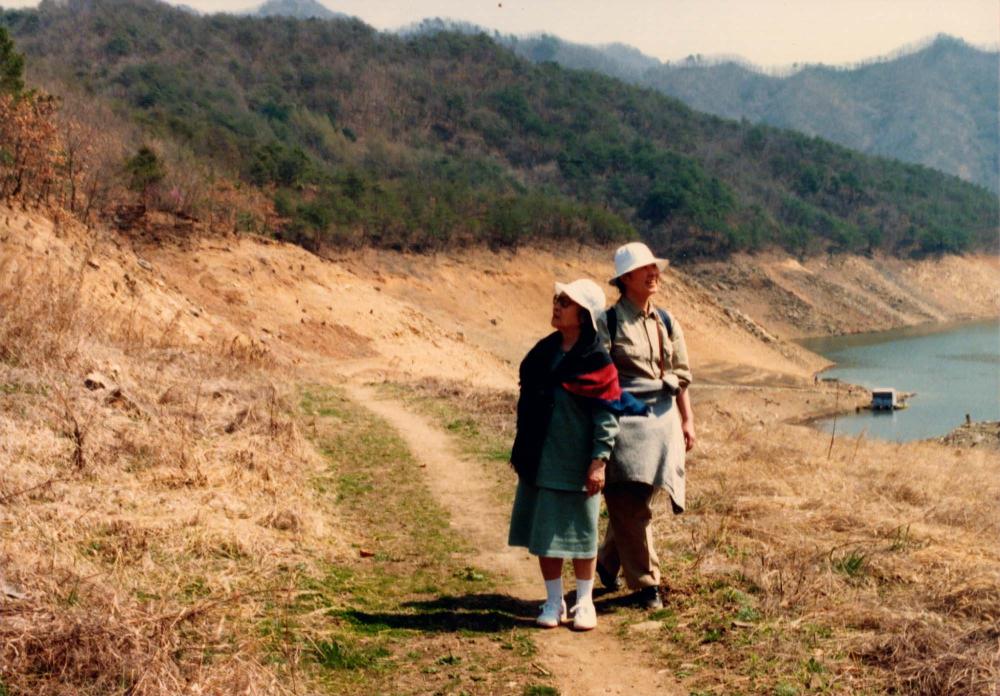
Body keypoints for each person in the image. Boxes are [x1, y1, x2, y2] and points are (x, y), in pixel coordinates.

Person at [509, 279, 646, 631]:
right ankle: (554, 601)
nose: (557, 305)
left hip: (578, 464)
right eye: (557, 299)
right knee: (546, 535)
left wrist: (598, 461)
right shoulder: (543, 353)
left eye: (565, 302)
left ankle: (584, 602)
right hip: (541, 460)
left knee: (583, 536)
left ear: (583, 316)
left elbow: (607, 415)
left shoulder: (597, 362)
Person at [596, 242, 696, 610]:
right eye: (645, 269)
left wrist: (687, 419)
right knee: (630, 503)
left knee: (634, 501)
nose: (654, 274)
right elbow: (600, 381)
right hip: (625, 424)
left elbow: (681, 374)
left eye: (656, 268)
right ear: (625, 279)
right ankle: (647, 584)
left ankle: (608, 563)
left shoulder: (667, 321)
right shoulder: (607, 323)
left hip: (662, 424)